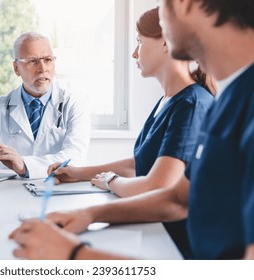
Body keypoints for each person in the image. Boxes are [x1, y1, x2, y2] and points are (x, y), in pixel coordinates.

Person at [10, 0, 254, 260]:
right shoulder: (234, 95)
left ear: (185, 4)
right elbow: (177, 199)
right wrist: (88, 215)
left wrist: (75, 256)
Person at [53, 7, 215, 258]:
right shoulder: (168, 101)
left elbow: (158, 185)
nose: (134, 52)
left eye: (139, 41)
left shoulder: (191, 104)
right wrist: (78, 173)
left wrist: (110, 182)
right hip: (153, 229)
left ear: (165, 42)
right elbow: (141, 164)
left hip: (177, 245)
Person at [0, 32, 90, 179]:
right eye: (33, 61)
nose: (43, 68)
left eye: (48, 60)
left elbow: (75, 157)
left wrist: (24, 165)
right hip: (11, 193)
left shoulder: (74, 104)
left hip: (59, 193)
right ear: (17, 68)